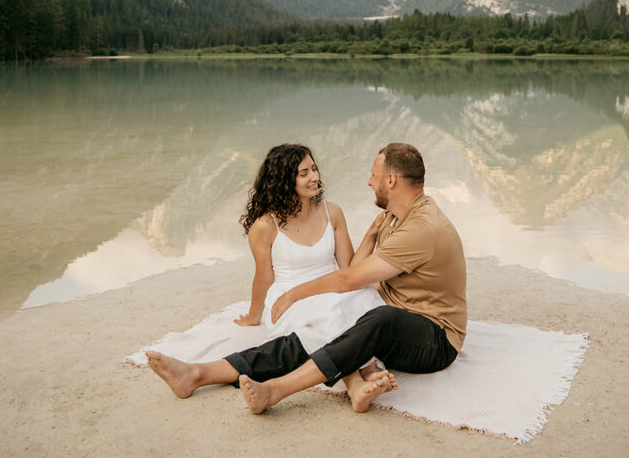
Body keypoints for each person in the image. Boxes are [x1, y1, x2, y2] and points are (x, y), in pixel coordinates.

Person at [146, 142, 467, 415]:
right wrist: (370, 234)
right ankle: (197, 373)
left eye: (374, 175)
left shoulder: (420, 227)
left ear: (392, 180)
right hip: (399, 321)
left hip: (435, 341)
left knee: (373, 317)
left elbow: (347, 278)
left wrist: (295, 294)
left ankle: (276, 390)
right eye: (305, 171)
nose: (369, 181)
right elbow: (346, 273)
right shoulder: (393, 216)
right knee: (340, 323)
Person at [231, 143, 385, 354]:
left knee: (369, 309)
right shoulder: (265, 226)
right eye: (304, 173)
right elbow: (264, 278)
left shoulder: (333, 212)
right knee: (329, 321)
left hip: (331, 288)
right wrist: (253, 316)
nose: (314, 177)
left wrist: (372, 233)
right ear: (283, 181)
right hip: (290, 298)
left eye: (314, 169)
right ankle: (354, 372)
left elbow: (349, 268)